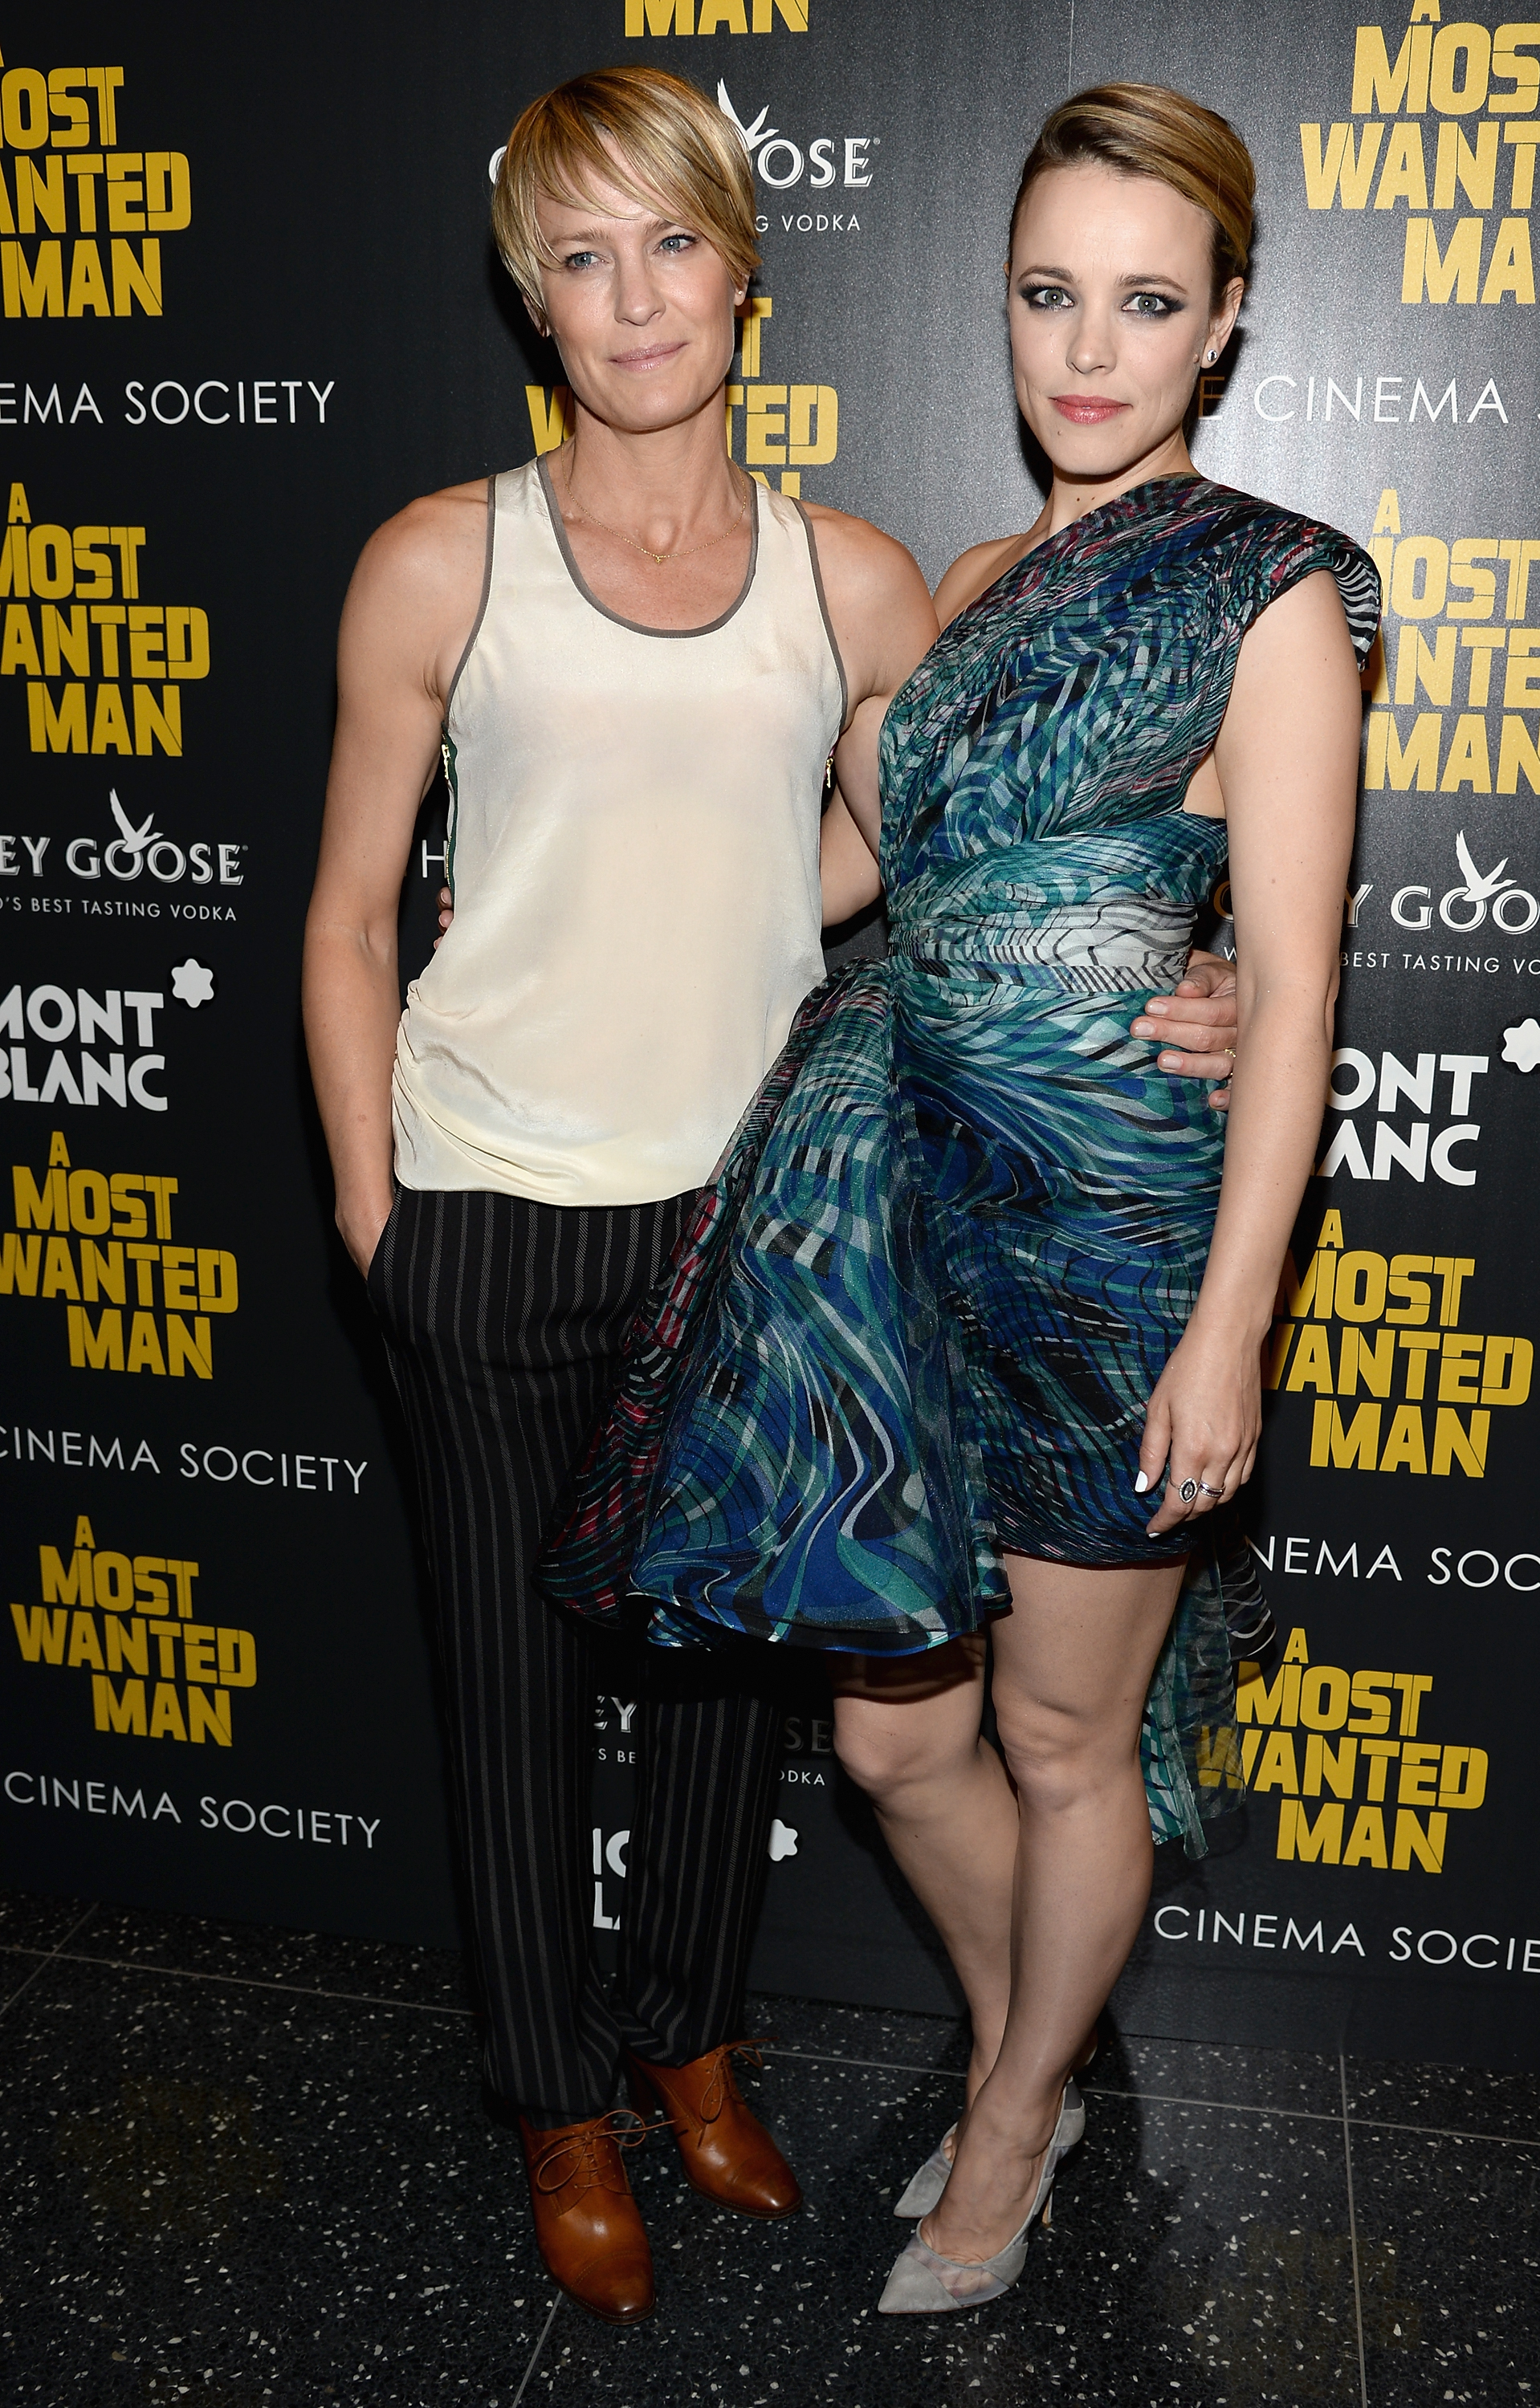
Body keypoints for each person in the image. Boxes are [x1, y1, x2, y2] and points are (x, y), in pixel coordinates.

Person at [302, 65, 1241, 2327]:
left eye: (673, 245)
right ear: (534, 298)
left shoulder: (858, 578)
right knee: (513, 1702)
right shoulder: (440, 558)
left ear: (744, 272)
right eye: (582, 258)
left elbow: (988, 846)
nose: (635, 300)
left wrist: (1183, 963)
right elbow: (342, 920)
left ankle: (689, 2043)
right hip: (489, 1202)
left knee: (734, 1701)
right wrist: (375, 1217)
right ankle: (556, 2100)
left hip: (756, 1218)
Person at [539, 82, 1378, 2317]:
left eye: (1146, 304)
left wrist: (1231, 1327)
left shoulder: (1274, 589)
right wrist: (585, 884)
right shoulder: (971, 583)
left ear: (1222, 326)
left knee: (1061, 1736)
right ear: (1000, 303)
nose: (1088, 351)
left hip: (1115, 1241)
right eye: (1047, 294)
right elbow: (851, 879)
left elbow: (1294, 987)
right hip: (903, 1226)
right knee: (899, 1736)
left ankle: (1008, 2133)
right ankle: (1039, 2048)